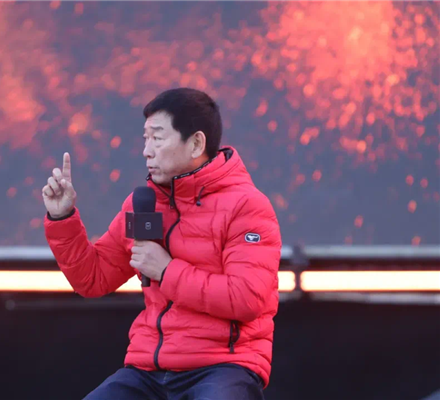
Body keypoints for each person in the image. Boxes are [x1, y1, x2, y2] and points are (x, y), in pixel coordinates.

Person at [42, 88, 282, 400]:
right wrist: (62, 217)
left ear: (196, 144)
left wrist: (168, 271)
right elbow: (92, 279)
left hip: (224, 366)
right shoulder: (143, 203)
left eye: (157, 138)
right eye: (145, 139)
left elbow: (247, 299)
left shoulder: (247, 206)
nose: (146, 151)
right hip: (148, 369)